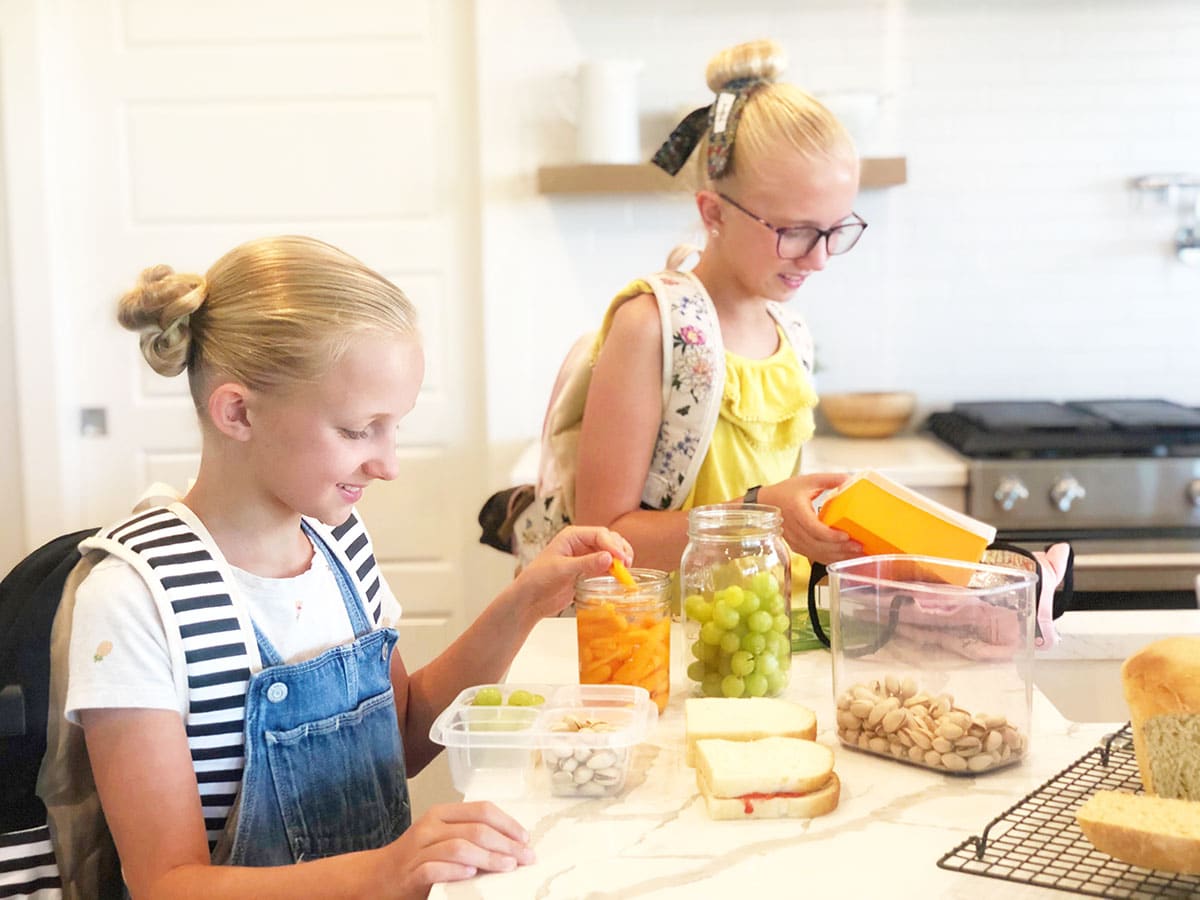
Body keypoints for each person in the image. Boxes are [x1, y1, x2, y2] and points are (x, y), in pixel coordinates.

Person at [46, 235, 632, 898]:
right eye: (359, 430)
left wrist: (527, 600)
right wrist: (383, 871)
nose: (388, 463)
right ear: (237, 411)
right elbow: (167, 885)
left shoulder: (339, 545)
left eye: (395, 427)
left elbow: (404, 736)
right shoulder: (135, 599)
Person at [572, 39, 867, 621]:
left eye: (837, 230)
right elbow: (601, 536)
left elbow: (784, 526)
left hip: (765, 640)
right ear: (714, 214)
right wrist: (763, 515)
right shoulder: (652, 329)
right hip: (666, 646)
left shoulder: (792, 332)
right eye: (796, 232)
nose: (819, 260)